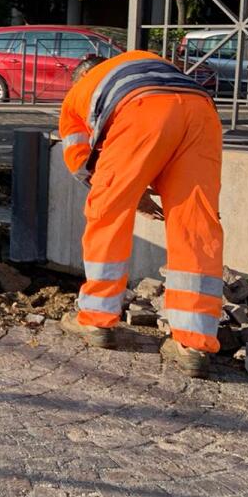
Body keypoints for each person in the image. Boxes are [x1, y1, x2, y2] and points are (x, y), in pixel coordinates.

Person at [57, 50, 223, 378]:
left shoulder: (77, 95)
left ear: (78, 78)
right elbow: (170, 117)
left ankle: (96, 319)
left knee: (107, 214)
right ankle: (194, 342)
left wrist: (126, 194)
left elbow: (81, 159)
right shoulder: (142, 59)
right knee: (196, 223)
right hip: (202, 112)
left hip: (142, 110)